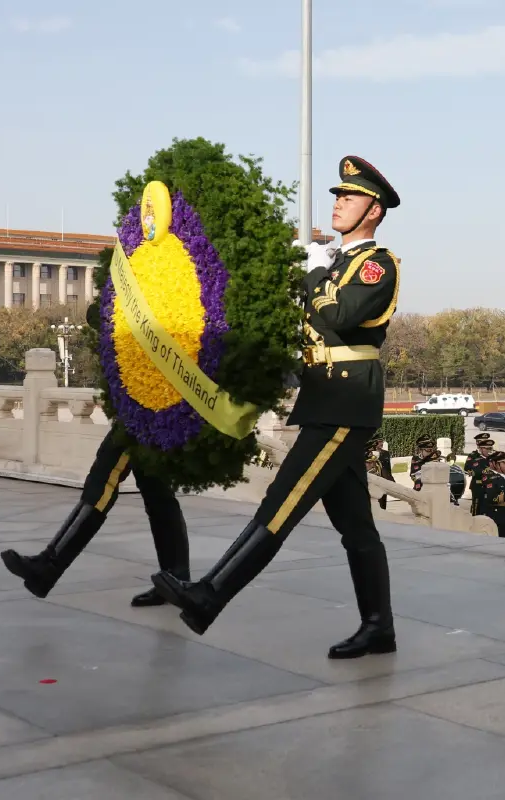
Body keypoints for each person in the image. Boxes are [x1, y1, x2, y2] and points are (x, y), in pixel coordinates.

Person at [150, 154, 402, 659]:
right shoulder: (336, 263)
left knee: (281, 502)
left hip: (345, 400)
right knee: (356, 527)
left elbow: (341, 316)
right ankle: (379, 627)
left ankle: (211, 594)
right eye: (337, 195)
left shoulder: (378, 264)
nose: (338, 203)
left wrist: (315, 274)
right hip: (325, 396)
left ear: (374, 210)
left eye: (349, 196)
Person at [1, 300, 190, 607]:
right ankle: (176, 578)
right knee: (157, 493)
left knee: (104, 481)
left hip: (153, 401)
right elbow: (96, 315)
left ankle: (49, 566)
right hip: (145, 398)